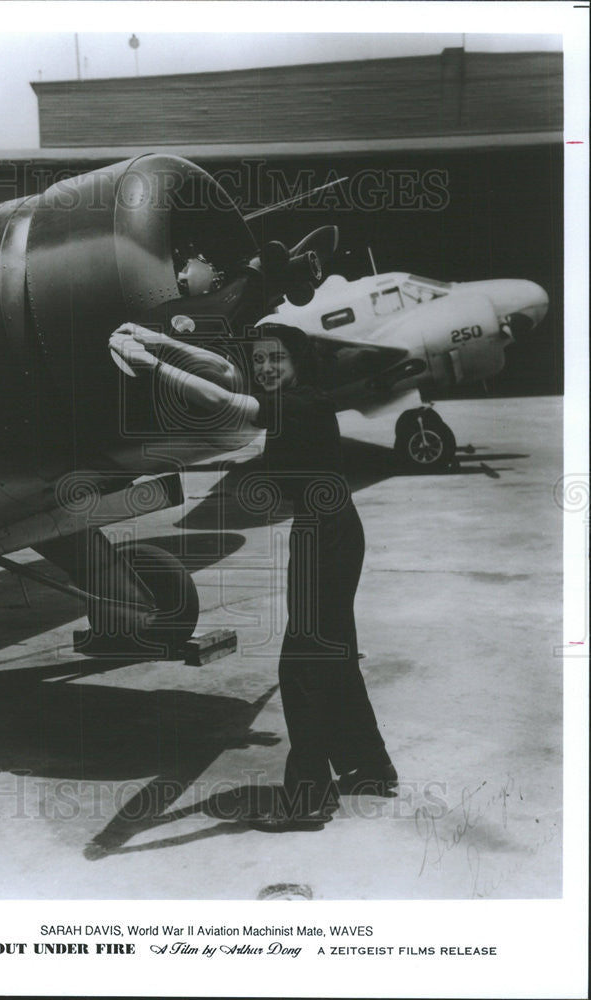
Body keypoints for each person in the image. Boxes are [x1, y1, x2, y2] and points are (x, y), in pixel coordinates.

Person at [109, 321, 396, 831]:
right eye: (259, 359)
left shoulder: (299, 403)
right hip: (326, 531)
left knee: (303, 666)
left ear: (298, 362)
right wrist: (162, 342)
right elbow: (224, 373)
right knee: (335, 653)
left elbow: (221, 399)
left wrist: (152, 365)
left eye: (276, 360)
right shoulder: (294, 395)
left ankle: (307, 799)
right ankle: (368, 769)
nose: (264, 368)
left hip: (325, 537)